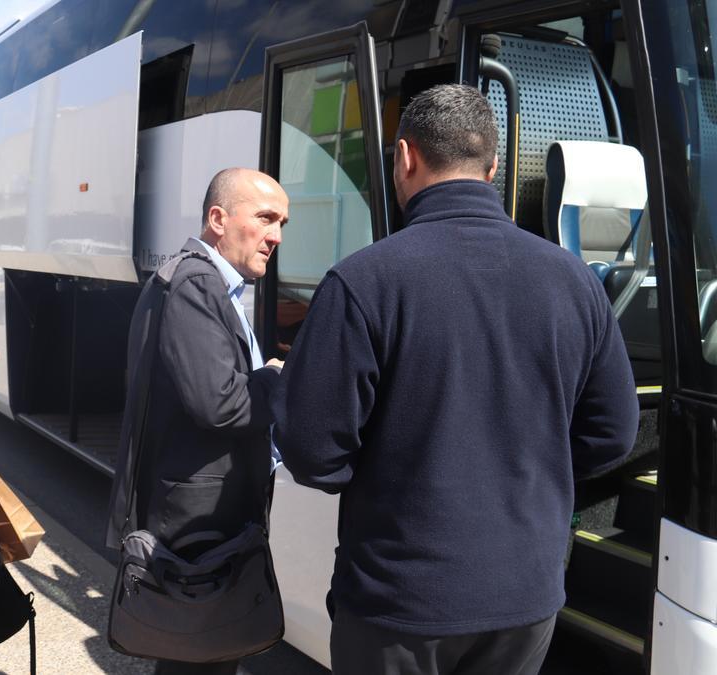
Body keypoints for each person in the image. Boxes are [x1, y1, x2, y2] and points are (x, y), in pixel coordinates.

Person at [272, 84, 640, 675]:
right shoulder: (574, 283)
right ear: (494, 167)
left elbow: (315, 454)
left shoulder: (362, 282)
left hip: (399, 602)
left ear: (405, 157)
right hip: (526, 597)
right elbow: (614, 434)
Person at [106, 167, 287, 675]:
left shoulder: (208, 283)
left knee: (203, 655)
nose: (275, 235)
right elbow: (219, 402)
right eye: (265, 218)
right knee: (197, 658)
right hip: (197, 527)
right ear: (218, 218)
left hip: (205, 515)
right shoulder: (196, 285)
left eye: (282, 223)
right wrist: (273, 377)